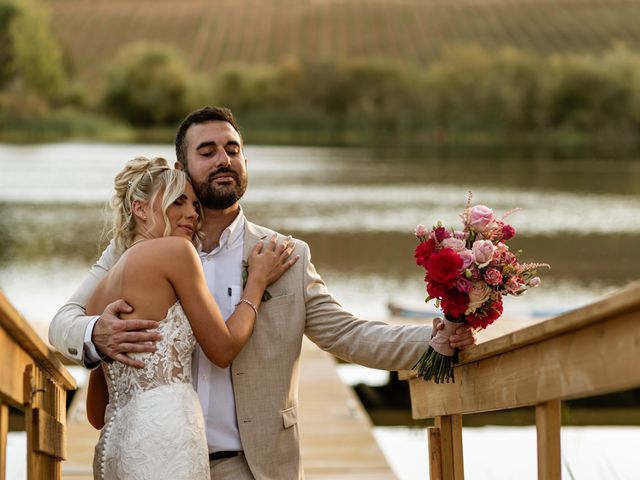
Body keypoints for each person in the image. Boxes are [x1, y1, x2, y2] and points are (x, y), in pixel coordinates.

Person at [49, 106, 476, 479]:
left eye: (232, 150)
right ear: (182, 169)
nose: (223, 159)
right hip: (162, 455)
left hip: (254, 466)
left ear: (246, 162)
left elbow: (348, 334)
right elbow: (64, 322)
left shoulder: (285, 255)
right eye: (207, 151)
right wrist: (95, 335)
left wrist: (430, 341)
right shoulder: (134, 248)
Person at [81, 156, 296, 479]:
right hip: (168, 436)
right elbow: (222, 350)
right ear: (140, 209)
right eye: (177, 202)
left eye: (195, 204)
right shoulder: (177, 253)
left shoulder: (99, 292)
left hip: (116, 446)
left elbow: (96, 413)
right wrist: (256, 283)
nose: (193, 213)